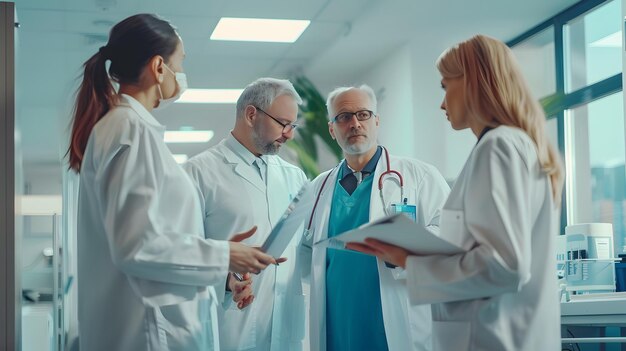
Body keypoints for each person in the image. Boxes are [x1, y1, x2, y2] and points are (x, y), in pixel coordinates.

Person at [68, 14, 278, 351]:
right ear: (158, 67)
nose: (182, 72)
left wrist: (221, 270)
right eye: (180, 62)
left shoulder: (129, 128)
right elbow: (137, 248)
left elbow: (153, 234)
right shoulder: (129, 130)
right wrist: (223, 253)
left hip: (156, 326)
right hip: (148, 333)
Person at [347, 35, 564, 350]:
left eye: (445, 86)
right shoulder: (515, 145)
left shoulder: (499, 146)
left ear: (474, 83)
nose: (442, 102)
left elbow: (504, 265)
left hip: (490, 338)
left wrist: (409, 260)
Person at [299, 84, 450, 351]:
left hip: (393, 317)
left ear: (377, 121)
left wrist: (407, 249)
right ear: (332, 129)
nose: (355, 123)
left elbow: (451, 234)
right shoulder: (318, 187)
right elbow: (305, 254)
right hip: (338, 321)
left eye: (364, 114)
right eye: (344, 117)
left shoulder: (420, 177)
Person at [184, 77, 308, 351]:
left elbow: (306, 246)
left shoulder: (295, 177)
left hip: (285, 331)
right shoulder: (198, 173)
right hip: (229, 329)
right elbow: (182, 254)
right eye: (283, 123)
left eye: (293, 125)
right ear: (252, 114)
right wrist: (226, 281)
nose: (289, 134)